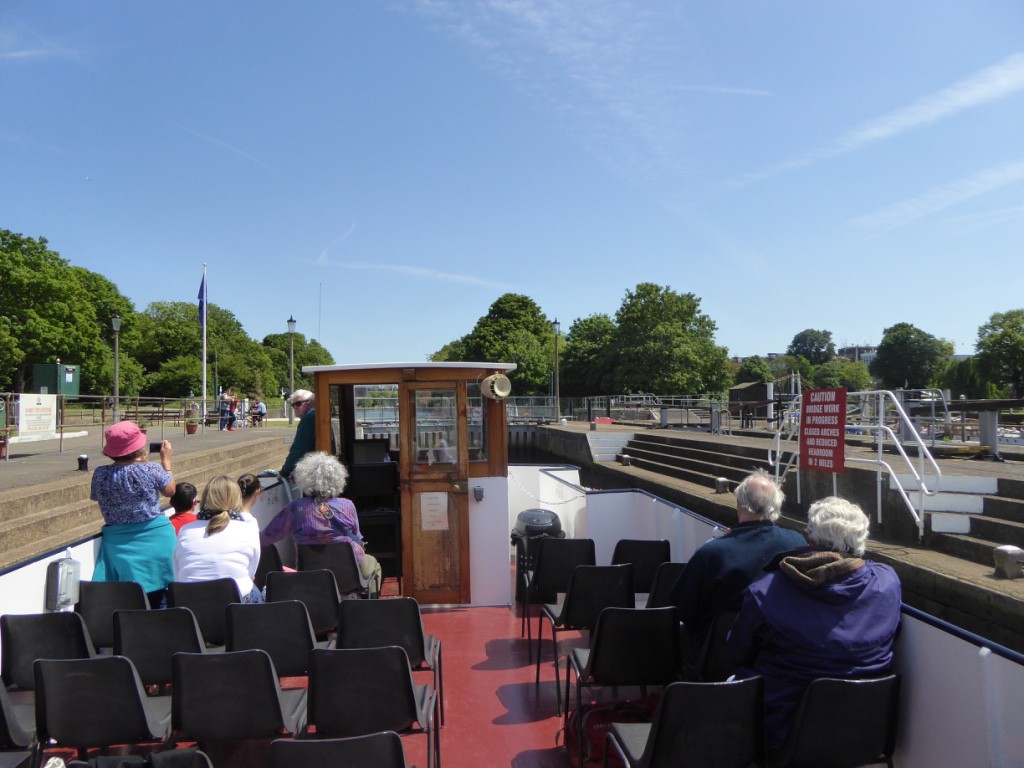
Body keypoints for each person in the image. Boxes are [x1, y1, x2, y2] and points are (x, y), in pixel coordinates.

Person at [727, 496, 902, 752]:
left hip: (783, 733)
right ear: (861, 539)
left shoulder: (766, 592)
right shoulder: (887, 583)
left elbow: (737, 652)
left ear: (809, 537)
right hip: (867, 732)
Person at [669, 469, 805, 664]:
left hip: (717, 661)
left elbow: (681, 609)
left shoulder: (712, 554)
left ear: (739, 504)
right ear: (776, 506)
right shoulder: (797, 543)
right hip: (779, 656)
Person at [261, 452, 381, 588]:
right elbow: (358, 540)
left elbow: (266, 538)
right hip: (349, 576)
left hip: (310, 576)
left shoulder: (295, 508)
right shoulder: (347, 506)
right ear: (338, 478)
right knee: (374, 565)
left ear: (304, 479)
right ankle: (363, 605)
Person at [90, 421, 176, 607]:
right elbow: (170, 491)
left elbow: (96, 497)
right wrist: (166, 462)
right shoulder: (151, 469)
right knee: (162, 599)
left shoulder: (100, 473)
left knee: (128, 599)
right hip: (155, 539)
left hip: (117, 543)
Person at [174, 475, 263, 603]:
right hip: (236, 603)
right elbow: (251, 571)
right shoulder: (248, 528)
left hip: (191, 603)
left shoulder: (185, 531)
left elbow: (177, 572)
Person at [279, 389, 316, 479]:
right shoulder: (315, 415)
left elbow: (299, 448)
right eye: (293, 405)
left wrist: (284, 472)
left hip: (313, 472)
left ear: (310, 402)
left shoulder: (309, 418)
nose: (295, 407)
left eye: (298, 404)